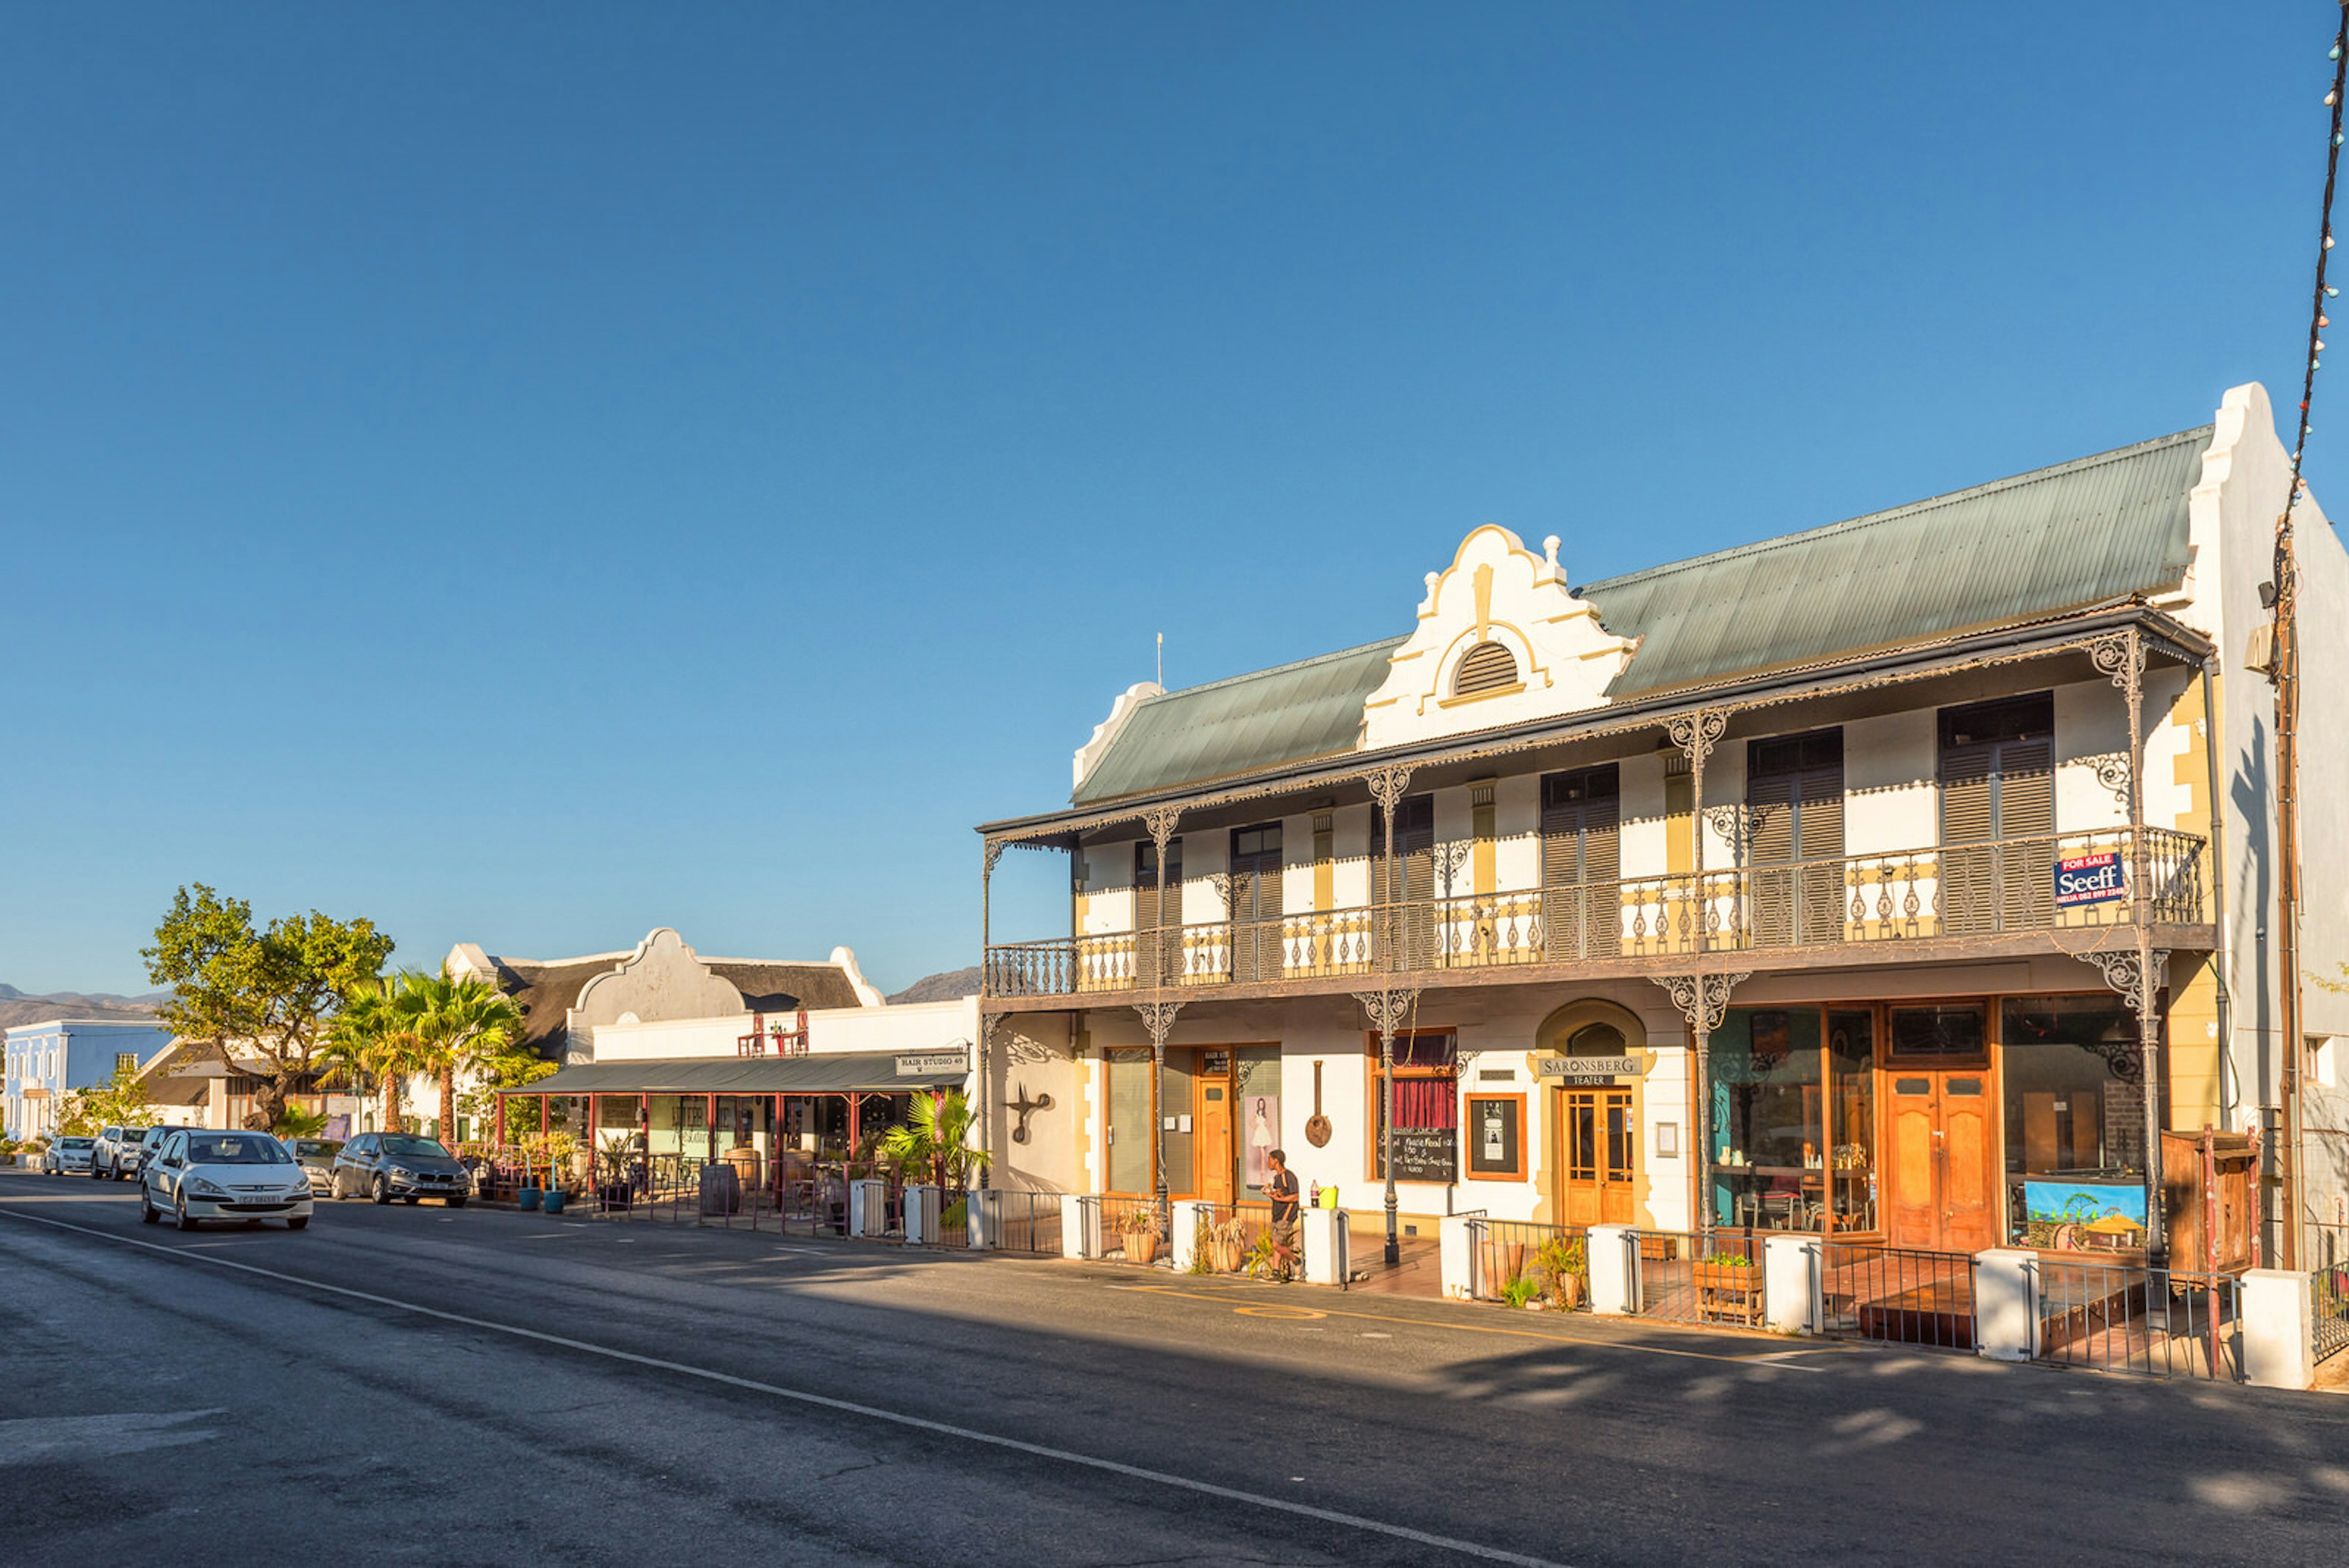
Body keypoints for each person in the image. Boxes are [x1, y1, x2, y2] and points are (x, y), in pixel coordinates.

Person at [1264, 1148, 1300, 1280]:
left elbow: (1295, 1197)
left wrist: (1279, 1200)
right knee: (1276, 1244)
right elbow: (1280, 1195)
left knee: (1277, 1244)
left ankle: (1295, 1259)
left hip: (1286, 1216)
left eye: (1270, 1160)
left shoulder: (1288, 1176)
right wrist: (1271, 1195)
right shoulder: (1276, 1178)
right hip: (1277, 1215)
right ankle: (1276, 1271)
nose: (1269, 1163)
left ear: (1276, 1161)